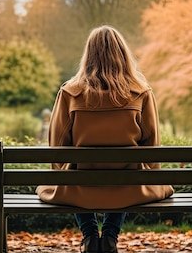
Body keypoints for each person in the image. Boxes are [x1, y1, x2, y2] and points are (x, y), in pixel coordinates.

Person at [36, 25, 174, 253]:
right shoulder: (141, 92)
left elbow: (57, 148)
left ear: (88, 55)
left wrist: (62, 173)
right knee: (127, 175)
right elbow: (152, 147)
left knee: (67, 176)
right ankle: (109, 235)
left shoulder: (70, 93)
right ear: (123, 55)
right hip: (129, 187)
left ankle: (90, 235)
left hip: (79, 187)